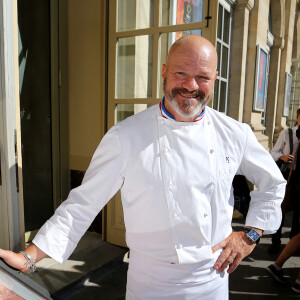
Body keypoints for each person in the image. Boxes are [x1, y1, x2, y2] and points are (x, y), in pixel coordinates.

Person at [0, 35, 286, 299]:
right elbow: (82, 204)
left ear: (215, 78)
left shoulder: (234, 133)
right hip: (150, 284)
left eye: (202, 77)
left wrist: (250, 235)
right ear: (163, 71)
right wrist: (29, 258)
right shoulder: (126, 136)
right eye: (180, 73)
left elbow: (273, 183)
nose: (190, 86)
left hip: (210, 281)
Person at [268, 109, 300, 253]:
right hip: (288, 175)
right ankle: (275, 242)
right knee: (281, 208)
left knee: (297, 212)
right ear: (297, 117)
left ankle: (292, 245)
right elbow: (273, 153)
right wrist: (283, 157)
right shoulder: (287, 134)